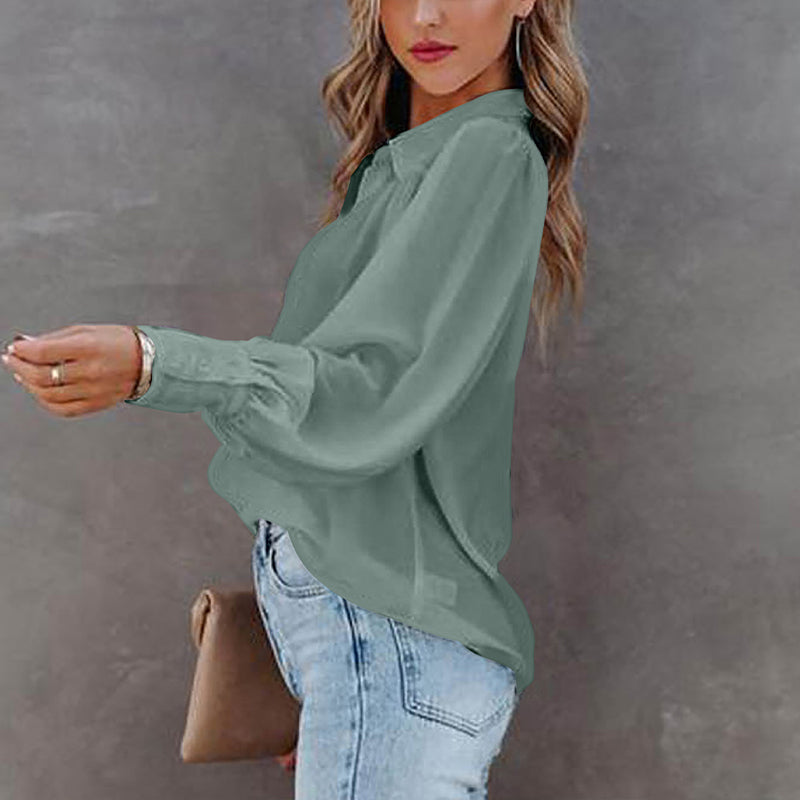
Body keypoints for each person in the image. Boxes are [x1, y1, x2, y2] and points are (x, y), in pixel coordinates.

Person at [1, 0, 588, 795]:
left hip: (392, 647)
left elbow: (371, 392)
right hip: (378, 655)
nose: (427, 15)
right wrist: (329, 672)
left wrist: (153, 364)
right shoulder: (415, 161)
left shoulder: (485, 153)